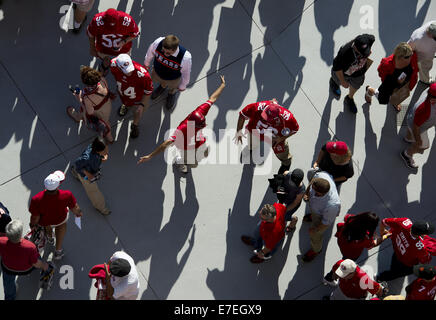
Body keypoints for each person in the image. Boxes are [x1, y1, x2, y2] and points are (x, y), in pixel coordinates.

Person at [137, 75, 226, 174]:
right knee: (194, 164)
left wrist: (222, 85)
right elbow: (165, 144)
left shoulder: (200, 111)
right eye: (201, 125)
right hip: (186, 147)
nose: (204, 124)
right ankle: (180, 160)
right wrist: (150, 156)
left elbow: (212, 98)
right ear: (193, 125)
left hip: (198, 140)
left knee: (204, 154)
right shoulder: (182, 130)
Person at [234, 99, 299, 174]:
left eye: (267, 118)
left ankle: (285, 165)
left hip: (275, 138)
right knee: (251, 144)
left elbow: (295, 129)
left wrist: (281, 138)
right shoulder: (257, 107)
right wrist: (239, 131)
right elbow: (243, 114)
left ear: (277, 117)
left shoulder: (288, 117)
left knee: (283, 154)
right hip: (256, 131)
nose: (263, 118)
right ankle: (251, 148)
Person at [28, 171, 82, 260]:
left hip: (45, 221)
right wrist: (79, 213)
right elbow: (75, 208)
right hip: (61, 219)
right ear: (57, 186)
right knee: (61, 228)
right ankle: (58, 251)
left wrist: (32, 225)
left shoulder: (36, 199)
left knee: (47, 227)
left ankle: (50, 238)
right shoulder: (67, 194)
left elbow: (35, 217)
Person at [323, 212, 387, 285]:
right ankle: (329, 278)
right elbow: (372, 245)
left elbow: (345, 217)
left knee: (344, 258)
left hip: (342, 241)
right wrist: (384, 237)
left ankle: (330, 277)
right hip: (351, 253)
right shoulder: (366, 237)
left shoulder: (352, 219)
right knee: (344, 264)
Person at [0, 220, 51, 300]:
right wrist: (44, 265)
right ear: (20, 234)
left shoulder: (1, 241)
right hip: (25, 269)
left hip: (8, 268)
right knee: (37, 258)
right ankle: (43, 271)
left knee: (8, 281)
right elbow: (35, 263)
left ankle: (10, 296)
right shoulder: (30, 246)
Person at [365, 42, 419, 112]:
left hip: (404, 85)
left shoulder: (412, 57)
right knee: (383, 99)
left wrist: (409, 86)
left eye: (411, 54)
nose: (412, 56)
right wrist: (396, 82)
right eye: (409, 56)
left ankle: (395, 102)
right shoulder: (386, 64)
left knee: (398, 97)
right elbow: (383, 77)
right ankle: (370, 90)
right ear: (401, 57)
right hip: (390, 85)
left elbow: (415, 71)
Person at [110, 53, 153, 139]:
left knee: (137, 112)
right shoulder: (113, 65)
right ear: (118, 67)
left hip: (137, 99)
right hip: (123, 93)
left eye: (130, 69)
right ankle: (125, 105)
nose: (129, 72)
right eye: (126, 71)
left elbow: (148, 91)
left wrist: (142, 104)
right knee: (124, 101)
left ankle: (135, 125)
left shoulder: (143, 75)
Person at [376, 218, 434, 282]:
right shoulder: (420, 248)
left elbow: (384, 221)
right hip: (406, 263)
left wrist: (382, 232)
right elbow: (426, 261)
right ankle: (381, 277)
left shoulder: (403, 222)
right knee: (396, 273)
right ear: (421, 234)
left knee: (395, 264)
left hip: (397, 250)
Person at [329, 34, 375, 113]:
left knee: (356, 85)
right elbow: (337, 68)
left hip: (358, 73)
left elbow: (372, 39)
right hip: (343, 73)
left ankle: (349, 98)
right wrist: (343, 81)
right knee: (337, 79)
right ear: (355, 47)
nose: (365, 54)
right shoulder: (344, 52)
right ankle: (334, 82)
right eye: (362, 52)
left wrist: (367, 52)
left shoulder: (369, 39)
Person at [67, 66, 114, 143]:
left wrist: (79, 98)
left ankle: (77, 117)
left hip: (99, 113)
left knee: (84, 111)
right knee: (106, 121)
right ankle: (110, 138)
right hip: (107, 106)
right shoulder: (102, 80)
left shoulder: (87, 98)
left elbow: (90, 112)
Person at [144, 35, 192, 110]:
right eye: (163, 51)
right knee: (162, 83)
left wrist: (183, 85)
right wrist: (146, 63)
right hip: (157, 72)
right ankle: (162, 87)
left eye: (168, 53)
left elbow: (186, 73)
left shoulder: (185, 57)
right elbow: (150, 52)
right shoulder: (158, 43)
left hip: (173, 78)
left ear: (175, 49)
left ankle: (171, 94)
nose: (165, 54)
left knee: (173, 88)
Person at [302, 171, 341, 262]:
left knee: (316, 236)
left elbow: (326, 223)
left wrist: (315, 230)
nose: (313, 192)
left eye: (316, 192)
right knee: (315, 213)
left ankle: (316, 250)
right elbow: (312, 182)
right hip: (316, 210)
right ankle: (313, 217)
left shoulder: (332, 205)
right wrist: (307, 193)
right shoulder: (320, 176)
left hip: (322, 217)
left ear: (323, 193)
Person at [87, 8, 139, 74]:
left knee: (124, 65)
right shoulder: (96, 21)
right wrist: (92, 48)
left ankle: (121, 70)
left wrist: (123, 42)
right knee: (105, 59)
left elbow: (135, 34)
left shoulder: (127, 21)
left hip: (123, 48)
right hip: (104, 48)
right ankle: (106, 64)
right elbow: (91, 34)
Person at [71, 137, 111, 215]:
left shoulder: (95, 148)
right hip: (87, 176)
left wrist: (102, 158)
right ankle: (101, 207)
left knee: (79, 173)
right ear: (98, 150)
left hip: (91, 169)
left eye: (107, 149)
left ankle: (76, 173)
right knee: (94, 191)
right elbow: (78, 163)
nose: (107, 152)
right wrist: (87, 173)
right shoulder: (86, 158)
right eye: (105, 151)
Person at [400, 83, 436, 169]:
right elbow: (416, 126)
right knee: (423, 146)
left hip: (411, 117)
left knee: (410, 129)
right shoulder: (426, 110)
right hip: (417, 126)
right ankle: (407, 154)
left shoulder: (429, 90)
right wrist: (418, 140)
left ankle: (408, 138)